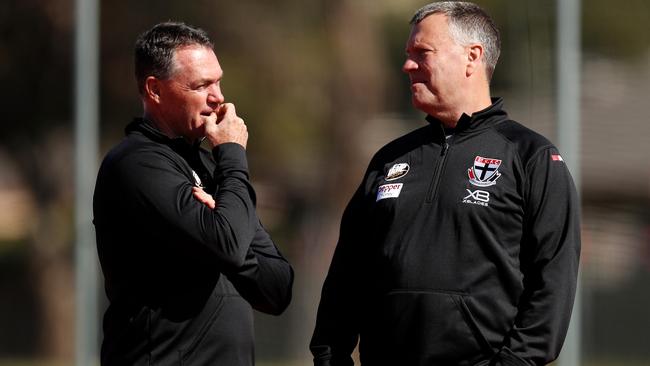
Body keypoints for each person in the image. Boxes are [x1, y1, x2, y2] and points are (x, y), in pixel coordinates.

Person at [310, 2, 580, 365]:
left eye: (422, 53)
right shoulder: (390, 159)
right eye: (407, 55)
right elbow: (346, 276)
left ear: (472, 57)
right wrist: (330, 357)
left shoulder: (531, 157)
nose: (407, 65)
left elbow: (552, 284)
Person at [93, 22, 293, 366]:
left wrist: (222, 230)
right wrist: (232, 155)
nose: (217, 97)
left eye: (217, 81)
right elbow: (228, 245)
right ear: (155, 89)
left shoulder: (213, 168)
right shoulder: (137, 165)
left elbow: (277, 289)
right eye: (201, 85)